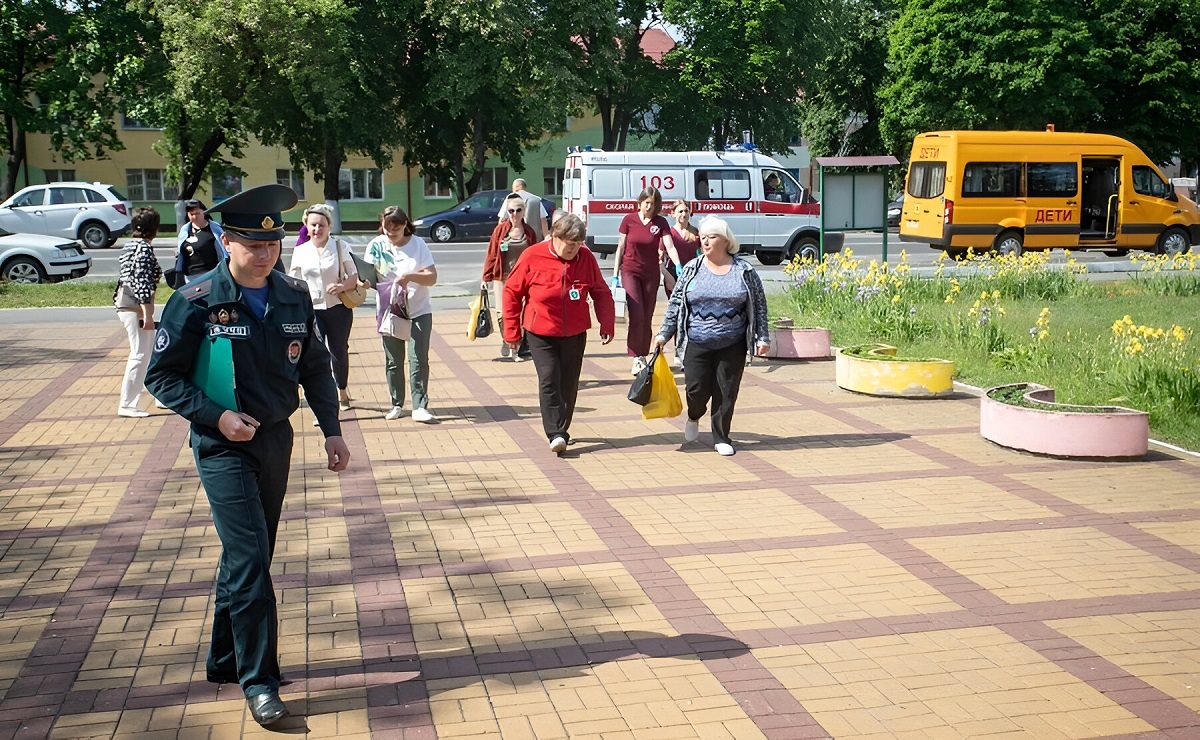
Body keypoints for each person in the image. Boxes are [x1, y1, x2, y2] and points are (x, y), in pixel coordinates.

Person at [145, 184, 351, 727]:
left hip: (274, 441)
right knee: (253, 559)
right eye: (251, 244)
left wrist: (331, 430)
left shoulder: (292, 296)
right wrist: (217, 417)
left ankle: (223, 658)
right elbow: (161, 377)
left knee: (246, 555)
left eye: (273, 243)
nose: (264, 254)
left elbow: (313, 367)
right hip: (222, 448)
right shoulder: (194, 301)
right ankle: (259, 681)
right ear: (225, 241)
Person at [654, 216, 769, 457]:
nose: (705, 242)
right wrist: (664, 333)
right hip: (697, 340)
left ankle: (721, 436)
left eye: (712, 237)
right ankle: (694, 415)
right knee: (696, 390)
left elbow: (759, 305)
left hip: (732, 342)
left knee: (726, 391)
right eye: (703, 237)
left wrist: (762, 338)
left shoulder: (744, 271)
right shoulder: (692, 269)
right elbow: (676, 303)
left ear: (726, 240)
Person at [503, 213, 615, 455]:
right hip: (540, 330)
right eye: (569, 244)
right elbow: (512, 293)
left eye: (578, 244)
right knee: (549, 376)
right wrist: (511, 332)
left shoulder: (585, 258)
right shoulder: (533, 256)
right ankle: (555, 432)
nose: (574, 249)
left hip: (574, 330)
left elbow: (600, 291)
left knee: (569, 383)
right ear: (554, 236)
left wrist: (607, 322)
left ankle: (562, 427)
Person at [364, 206, 438, 423]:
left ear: (405, 225)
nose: (390, 234)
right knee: (393, 360)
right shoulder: (377, 245)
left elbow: (432, 277)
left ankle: (420, 406)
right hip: (390, 311)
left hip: (418, 310)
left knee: (418, 358)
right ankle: (396, 403)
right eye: (386, 229)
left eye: (395, 229)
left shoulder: (418, 244)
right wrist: (365, 281)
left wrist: (409, 276)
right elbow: (367, 274)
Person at [288, 203, 358, 411]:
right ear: (306, 226)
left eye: (321, 225)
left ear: (329, 227)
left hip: (338, 308)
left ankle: (342, 390)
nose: (316, 230)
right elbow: (294, 280)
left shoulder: (340, 247)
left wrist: (342, 285)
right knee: (315, 354)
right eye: (313, 225)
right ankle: (321, 400)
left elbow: (354, 275)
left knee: (338, 351)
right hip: (312, 310)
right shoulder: (300, 250)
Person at [612, 186, 683, 375]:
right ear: (640, 202)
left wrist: (678, 265)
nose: (649, 208)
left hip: (650, 273)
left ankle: (643, 353)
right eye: (646, 203)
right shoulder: (629, 220)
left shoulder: (660, 222)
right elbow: (620, 247)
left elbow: (669, 245)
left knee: (647, 315)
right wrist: (615, 274)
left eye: (653, 204)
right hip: (630, 271)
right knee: (637, 313)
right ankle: (636, 356)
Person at [114, 207, 164, 418]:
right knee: (140, 354)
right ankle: (127, 404)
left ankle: (159, 396)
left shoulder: (130, 246)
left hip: (126, 303)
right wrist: (148, 315)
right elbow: (142, 281)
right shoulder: (143, 248)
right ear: (154, 229)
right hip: (135, 306)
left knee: (148, 353)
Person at [483, 193, 536, 361]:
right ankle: (506, 339)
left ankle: (516, 349)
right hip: (502, 277)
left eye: (518, 210)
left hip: (523, 279)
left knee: (519, 313)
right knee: (502, 312)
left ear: (524, 211)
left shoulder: (529, 232)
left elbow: (535, 255)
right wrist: (485, 278)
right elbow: (491, 254)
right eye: (511, 211)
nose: (514, 214)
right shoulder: (500, 231)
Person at [176, 199, 227, 283]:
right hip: (190, 275)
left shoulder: (214, 228)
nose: (195, 217)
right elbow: (181, 251)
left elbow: (224, 250)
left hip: (210, 273)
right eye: (191, 214)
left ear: (204, 212)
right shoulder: (185, 230)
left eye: (197, 213)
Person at [665, 199, 700, 298]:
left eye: (686, 211)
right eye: (680, 211)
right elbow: (659, 259)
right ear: (673, 213)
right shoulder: (668, 233)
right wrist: (667, 277)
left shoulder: (696, 233)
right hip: (673, 276)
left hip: (693, 277)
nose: (683, 214)